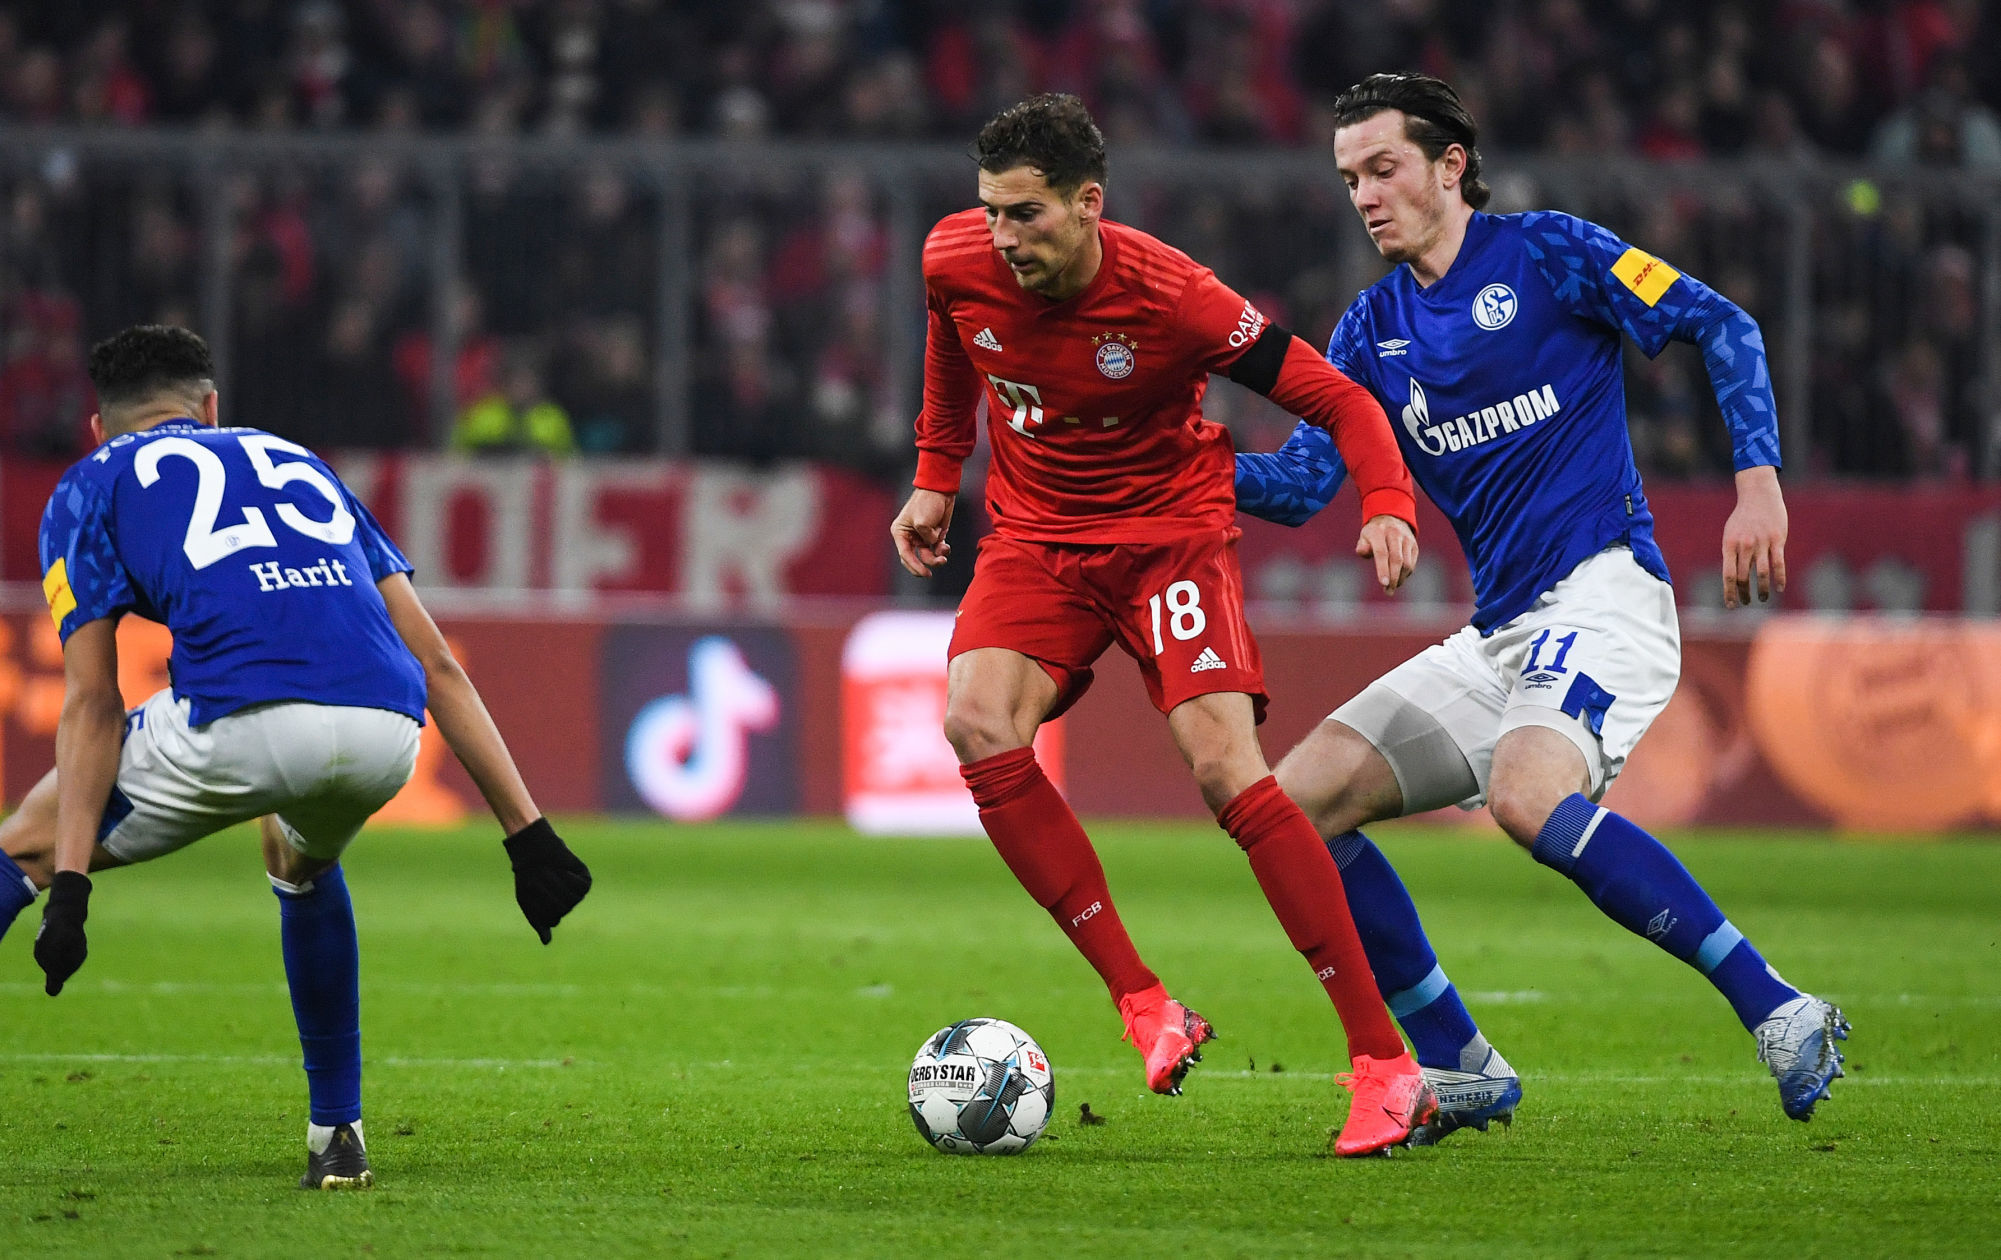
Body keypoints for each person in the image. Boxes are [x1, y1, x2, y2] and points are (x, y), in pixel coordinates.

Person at [1234, 73, 1847, 1142]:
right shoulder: (1370, 332)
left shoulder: (1551, 252)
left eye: (1384, 168)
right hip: (1501, 632)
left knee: (1525, 796)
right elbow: (1297, 486)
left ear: (1449, 165)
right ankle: (1461, 1062)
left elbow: (1723, 324)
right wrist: (1171, 458)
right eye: (1348, 179)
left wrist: (1759, 478)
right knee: (1294, 809)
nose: (1365, 196)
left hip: (1607, 589)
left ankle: (1781, 1009)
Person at [891, 93, 1433, 1156]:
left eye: (1029, 216)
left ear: (1089, 205)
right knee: (975, 722)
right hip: (1038, 536)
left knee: (1226, 767)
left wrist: (1386, 503)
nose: (1005, 238)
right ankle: (1144, 1001)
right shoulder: (955, 258)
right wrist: (933, 476)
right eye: (993, 213)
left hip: (1167, 536)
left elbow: (1341, 402)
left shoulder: (1175, 297)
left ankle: (1385, 1062)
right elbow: (954, 346)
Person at [0, 326, 593, 1190]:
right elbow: (439, 664)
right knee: (299, 861)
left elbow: (93, 703)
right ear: (211, 408)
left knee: (18, 845)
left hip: (240, 723)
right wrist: (527, 835)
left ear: (99, 427)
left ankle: (335, 1127)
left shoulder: (90, 483)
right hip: (386, 732)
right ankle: (337, 1136)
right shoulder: (297, 460)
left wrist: (72, 879)